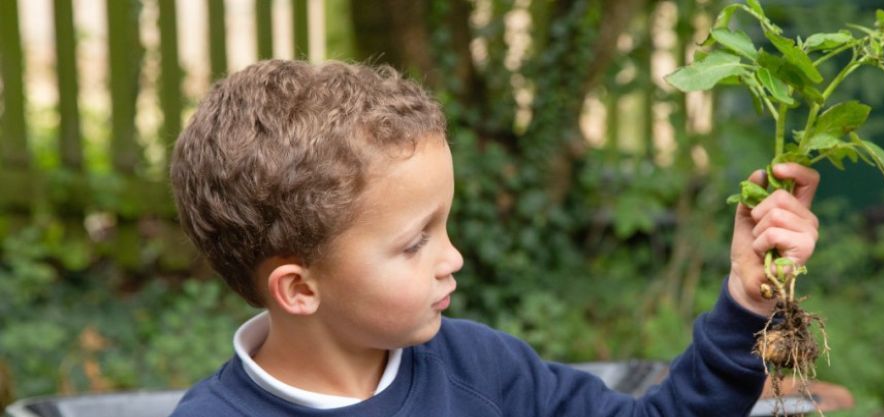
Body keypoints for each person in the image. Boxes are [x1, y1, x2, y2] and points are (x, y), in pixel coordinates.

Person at [167, 59, 821, 417]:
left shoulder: (482, 371)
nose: (453, 257)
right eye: (414, 242)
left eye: (444, 225)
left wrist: (747, 301)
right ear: (299, 289)